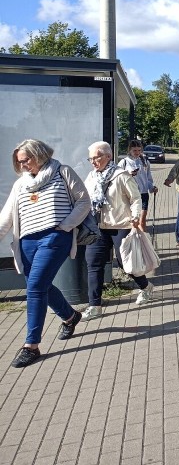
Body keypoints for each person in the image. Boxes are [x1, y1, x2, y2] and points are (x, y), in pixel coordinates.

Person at [0, 139, 92, 368]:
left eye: (26, 160)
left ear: (39, 154)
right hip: (27, 242)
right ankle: (71, 317)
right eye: (19, 162)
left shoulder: (63, 172)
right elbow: (7, 216)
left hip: (54, 237)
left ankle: (31, 345)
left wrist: (66, 225)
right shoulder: (20, 184)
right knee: (39, 284)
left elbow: (83, 201)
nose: (23, 166)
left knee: (35, 287)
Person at [81, 141, 153, 321]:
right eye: (91, 158)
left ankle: (145, 287)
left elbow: (136, 198)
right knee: (93, 264)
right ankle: (94, 306)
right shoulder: (91, 177)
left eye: (96, 157)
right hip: (97, 227)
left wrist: (135, 217)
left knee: (126, 264)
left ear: (108, 156)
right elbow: (84, 199)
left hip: (120, 225)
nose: (93, 161)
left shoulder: (121, 176)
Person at [117, 139, 157, 231]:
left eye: (139, 150)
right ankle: (133, 242)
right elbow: (117, 177)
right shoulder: (124, 162)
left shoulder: (145, 161)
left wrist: (152, 188)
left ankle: (143, 243)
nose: (137, 152)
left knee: (142, 222)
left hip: (143, 194)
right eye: (134, 150)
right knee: (133, 222)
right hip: (129, 195)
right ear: (129, 150)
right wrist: (129, 174)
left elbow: (148, 178)